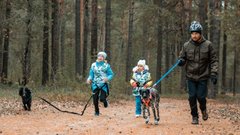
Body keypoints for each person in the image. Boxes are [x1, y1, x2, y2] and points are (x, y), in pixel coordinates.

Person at [178, 21, 218, 124]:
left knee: (201, 97)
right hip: (190, 76)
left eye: (196, 33)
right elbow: (181, 58)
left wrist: (214, 73)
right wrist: (181, 61)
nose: (194, 35)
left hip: (203, 76)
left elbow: (214, 60)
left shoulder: (208, 45)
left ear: (200, 33)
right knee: (192, 97)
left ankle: (203, 109)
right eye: (192, 33)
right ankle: (194, 117)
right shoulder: (186, 45)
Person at [87, 52, 114, 116]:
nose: (100, 57)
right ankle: (97, 111)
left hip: (103, 85)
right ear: (97, 57)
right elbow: (91, 74)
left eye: (102, 56)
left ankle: (105, 101)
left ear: (104, 58)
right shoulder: (93, 65)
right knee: (95, 99)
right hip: (95, 84)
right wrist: (89, 79)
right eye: (99, 56)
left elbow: (111, 74)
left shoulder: (106, 65)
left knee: (102, 98)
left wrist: (107, 78)